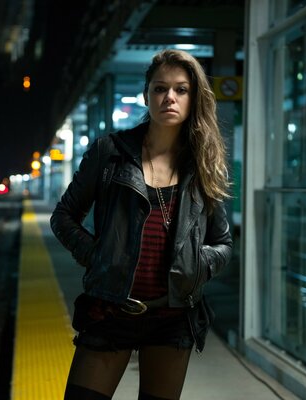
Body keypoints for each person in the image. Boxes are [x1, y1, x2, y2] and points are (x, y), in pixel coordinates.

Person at [50, 49, 233, 400]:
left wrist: (196, 267)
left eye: (181, 89)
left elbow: (222, 242)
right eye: (160, 88)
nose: (170, 97)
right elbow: (63, 217)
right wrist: (98, 255)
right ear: (147, 94)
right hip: (110, 310)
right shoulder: (110, 152)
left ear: (194, 98)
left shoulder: (202, 163)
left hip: (172, 316)